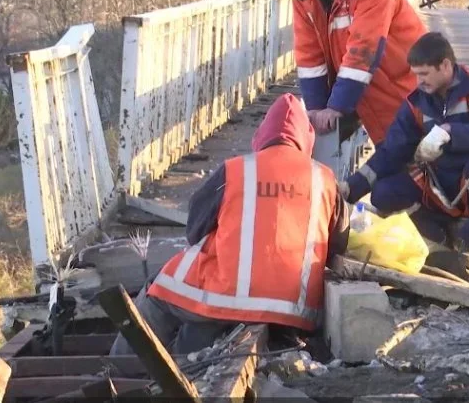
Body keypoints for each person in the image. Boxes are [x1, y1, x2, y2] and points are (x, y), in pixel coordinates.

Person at [110, 93, 349, 356]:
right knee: (200, 324)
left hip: (225, 297)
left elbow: (194, 230)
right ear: (307, 138)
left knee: (162, 290)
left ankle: (121, 366)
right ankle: (185, 354)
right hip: (297, 311)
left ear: (262, 134)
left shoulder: (236, 170)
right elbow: (337, 247)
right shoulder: (325, 179)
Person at [339, 32, 469, 275]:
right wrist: (351, 188)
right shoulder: (417, 104)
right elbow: (391, 153)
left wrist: (451, 133)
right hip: (439, 184)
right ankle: (438, 238)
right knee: (384, 193)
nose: (419, 81)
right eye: (416, 74)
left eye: (424, 74)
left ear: (445, 65)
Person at [288, 0, 428, 145]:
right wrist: (315, 108)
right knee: (394, 153)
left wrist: (337, 106)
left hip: (404, 86)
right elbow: (309, 53)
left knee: (417, 151)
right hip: (369, 89)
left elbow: (363, 51)